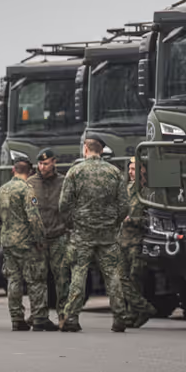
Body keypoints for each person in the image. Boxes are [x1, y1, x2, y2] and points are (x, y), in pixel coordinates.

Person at [59, 137, 152, 332]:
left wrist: (74, 223)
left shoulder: (75, 171)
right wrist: (113, 222)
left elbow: (64, 205)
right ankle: (120, 318)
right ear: (101, 150)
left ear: (86, 149)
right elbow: (124, 205)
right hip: (108, 234)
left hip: (83, 233)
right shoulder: (114, 172)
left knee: (79, 274)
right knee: (114, 275)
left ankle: (71, 318)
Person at [0, 156, 58, 332]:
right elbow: (34, 218)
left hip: (8, 243)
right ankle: (39, 318)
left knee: (13, 280)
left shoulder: (1, 190)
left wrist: (1, 240)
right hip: (27, 244)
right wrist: (40, 240)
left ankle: (16, 318)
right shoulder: (28, 190)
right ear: (29, 172)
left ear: (13, 170)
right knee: (36, 280)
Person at [26, 148, 71, 324]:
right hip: (38, 239)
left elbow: (70, 207)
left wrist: (68, 228)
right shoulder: (31, 183)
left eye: (45, 163)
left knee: (62, 277)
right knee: (38, 277)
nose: (42, 167)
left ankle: (63, 315)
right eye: (40, 163)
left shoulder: (63, 182)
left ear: (54, 162)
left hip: (58, 235)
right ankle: (39, 314)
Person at [118, 157, 153, 327]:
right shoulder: (127, 188)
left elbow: (151, 218)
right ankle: (140, 309)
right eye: (130, 169)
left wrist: (132, 219)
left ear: (144, 170)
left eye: (135, 169)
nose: (132, 172)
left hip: (138, 240)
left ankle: (135, 312)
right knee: (122, 278)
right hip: (123, 239)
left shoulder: (148, 192)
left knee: (135, 277)